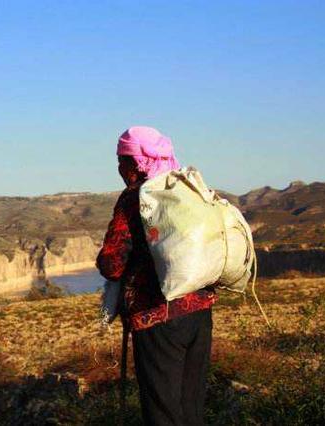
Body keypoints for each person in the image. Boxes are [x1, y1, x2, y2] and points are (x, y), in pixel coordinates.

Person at [96, 126, 217, 426]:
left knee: (162, 412)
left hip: (156, 318)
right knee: (190, 410)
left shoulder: (136, 197)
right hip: (199, 312)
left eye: (123, 159)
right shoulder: (185, 189)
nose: (118, 167)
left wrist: (104, 260)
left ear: (138, 162)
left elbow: (112, 262)